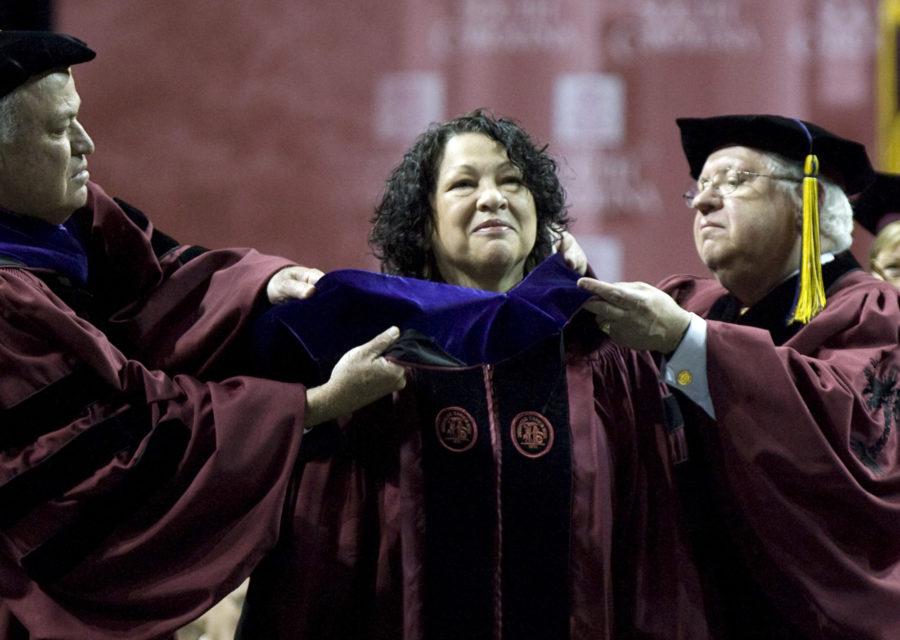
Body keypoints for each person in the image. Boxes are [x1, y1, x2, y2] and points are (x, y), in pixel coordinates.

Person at [235, 110, 707, 640]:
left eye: (513, 183)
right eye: (464, 183)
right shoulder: (369, 344)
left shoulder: (600, 353)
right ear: (424, 222)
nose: (493, 198)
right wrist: (323, 405)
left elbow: (648, 544)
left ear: (542, 218)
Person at [0, 30, 408, 639]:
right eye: (59, 133)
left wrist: (261, 283)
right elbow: (111, 453)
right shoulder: (7, 304)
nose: (87, 145)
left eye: (77, 120)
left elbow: (158, 284)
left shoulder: (69, 220)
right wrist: (311, 408)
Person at [579, 114, 900, 639]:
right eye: (700, 188)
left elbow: (845, 437)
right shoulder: (690, 304)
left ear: (809, 204)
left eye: (734, 181)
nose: (705, 201)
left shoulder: (872, 312)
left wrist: (692, 344)